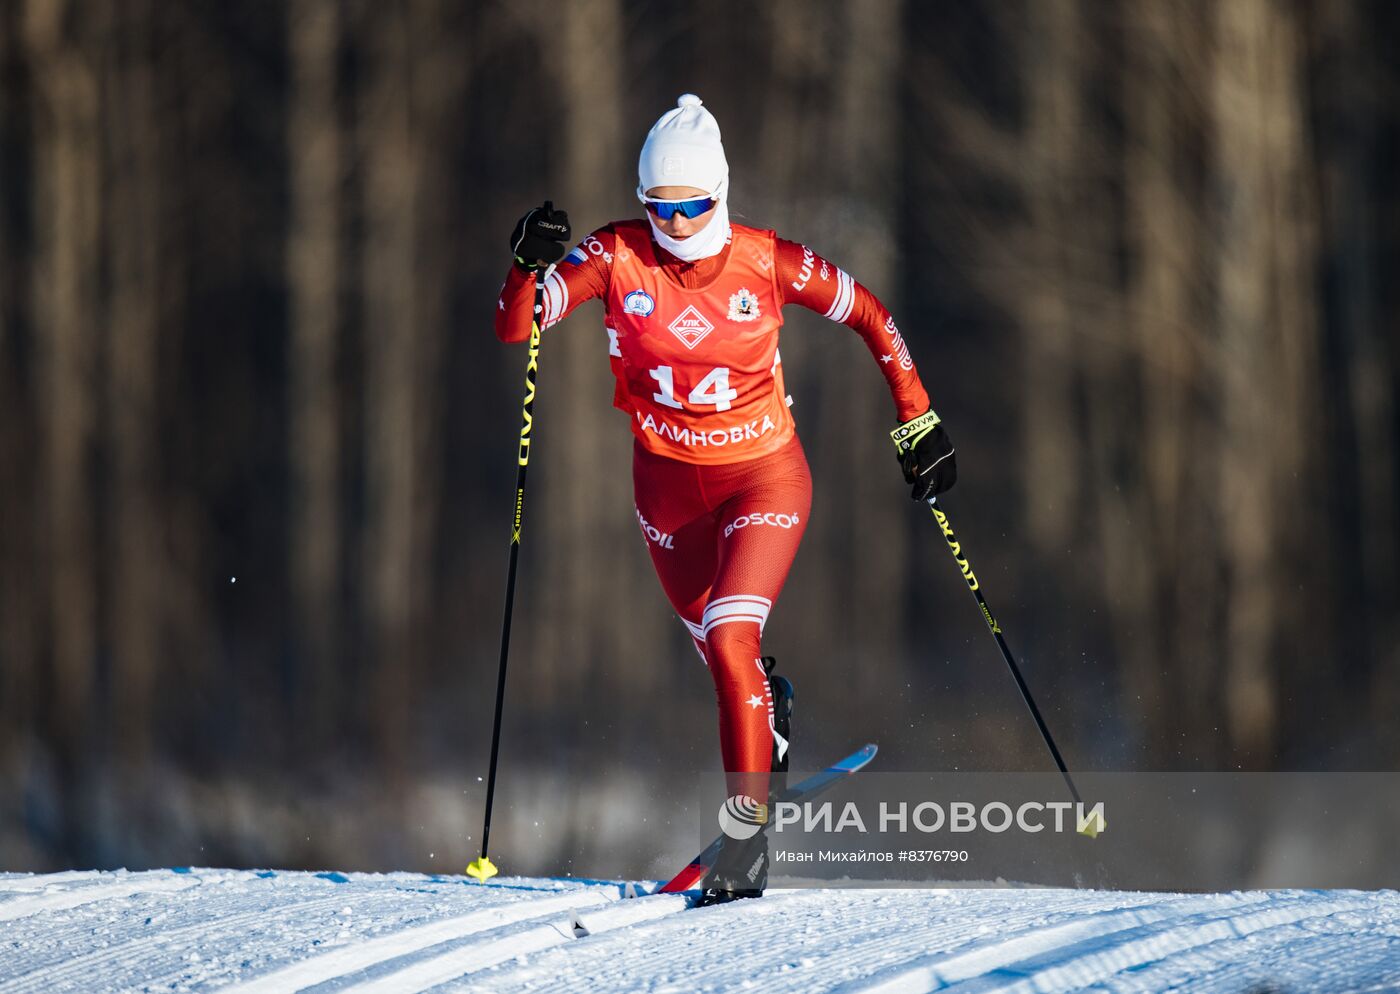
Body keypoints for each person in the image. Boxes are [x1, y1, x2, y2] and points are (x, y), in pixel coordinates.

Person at [496, 94, 956, 904]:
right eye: (660, 208)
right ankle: (768, 722)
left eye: (694, 207)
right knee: (721, 660)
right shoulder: (614, 255)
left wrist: (916, 417)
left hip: (763, 477)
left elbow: (873, 316)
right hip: (666, 492)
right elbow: (519, 325)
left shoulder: (767, 262)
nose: (675, 224)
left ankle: (746, 845)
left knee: (731, 632)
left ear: (722, 193)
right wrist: (526, 267)